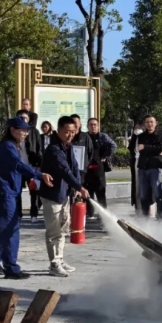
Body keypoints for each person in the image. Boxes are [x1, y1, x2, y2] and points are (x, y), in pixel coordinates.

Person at [0, 117, 53, 280]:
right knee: (11, 230)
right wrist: (39, 175)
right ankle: (11, 269)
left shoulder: (15, 145)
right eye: (23, 130)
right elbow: (19, 165)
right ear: (12, 130)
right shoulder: (7, 146)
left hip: (11, 192)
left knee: (8, 228)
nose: (25, 133)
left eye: (27, 130)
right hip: (4, 194)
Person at [40, 116, 90, 278]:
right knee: (53, 231)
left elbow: (74, 167)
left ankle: (60, 259)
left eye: (73, 132)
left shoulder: (67, 146)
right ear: (59, 130)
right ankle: (54, 264)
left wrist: (77, 187)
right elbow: (64, 170)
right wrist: (79, 187)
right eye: (67, 132)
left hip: (64, 194)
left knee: (63, 228)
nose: (70, 135)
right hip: (52, 195)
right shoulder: (54, 149)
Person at [84, 117, 117, 218]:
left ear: (98, 126)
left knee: (101, 193)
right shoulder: (84, 137)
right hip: (87, 170)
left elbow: (113, 145)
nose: (93, 126)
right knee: (88, 193)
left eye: (95, 125)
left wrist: (105, 155)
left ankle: (103, 214)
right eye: (91, 125)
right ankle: (90, 213)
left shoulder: (103, 136)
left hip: (99, 169)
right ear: (87, 126)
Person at [136, 115, 162, 219]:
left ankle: (160, 216)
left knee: (157, 193)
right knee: (144, 194)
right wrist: (151, 148)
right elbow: (139, 149)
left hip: (154, 167)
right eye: (147, 122)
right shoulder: (141, 136)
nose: (149, 124)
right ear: (145, 124)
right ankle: (145, 217)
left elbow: (160, 148)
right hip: (143, 167)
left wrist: (145, 147)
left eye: (151, 122)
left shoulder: (160, 135)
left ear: (156, 123)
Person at [16, 108, 43, 222]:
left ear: (29, 119)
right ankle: (18, 213)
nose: (23, 120)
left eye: (25, 118)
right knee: (17, 191)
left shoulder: (34, 132)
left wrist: (39, 164)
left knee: (34, 191)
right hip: (18, 166)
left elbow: (39, 148)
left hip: (31, 166)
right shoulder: (13, 131)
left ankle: (34, 214)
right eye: (20, 118)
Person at [128, 121, 143, 212]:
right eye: (136, 128)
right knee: (136, 186)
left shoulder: (144, 138)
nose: (137, 130)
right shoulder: (134, 139)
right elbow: (131, 149)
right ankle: (137, 205)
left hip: (143, 162)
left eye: (139, 128)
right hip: (135, 162)